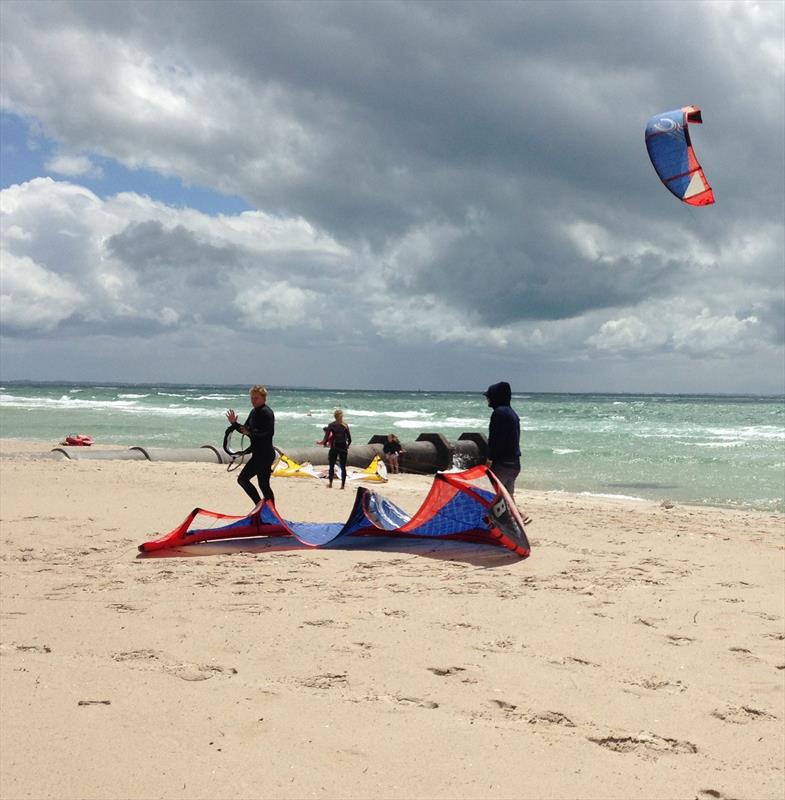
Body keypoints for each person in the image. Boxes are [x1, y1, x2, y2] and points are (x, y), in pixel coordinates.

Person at [226, 385, 276, 506]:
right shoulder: (254, 412)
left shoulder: (267, 412)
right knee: (263, 485)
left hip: (265, 454)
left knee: (242, 479)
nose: (253, 401)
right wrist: (234, 424)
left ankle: (260, 507)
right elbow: (246, 430)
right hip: (259, 454)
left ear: (264, 399)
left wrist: (250, 433)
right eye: (252, 398)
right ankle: (269, 512)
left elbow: (268, 433)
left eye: (256, 398)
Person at [484, 381, 521, 498]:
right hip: (514, 463)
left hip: (502, 464)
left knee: (491, 498)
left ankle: (517, 515)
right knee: (507, 499)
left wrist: (489, 459)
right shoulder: (513, 414)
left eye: (489, 396)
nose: (487, 399)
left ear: (496, 397)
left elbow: (496, 439)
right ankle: (517, 516)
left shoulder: (499, 413)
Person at [321, 408, 351, 489]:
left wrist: (323, 443)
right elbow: (350, 439)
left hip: (334, 447)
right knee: (343, 467)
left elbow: (326, 437)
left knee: (331, 466)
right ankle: (342, 486)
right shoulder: (345, 425)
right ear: (341, 416)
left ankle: (330, 484)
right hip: (343, 447)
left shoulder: (331, 425)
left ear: (335, 416)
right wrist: (347, 446)